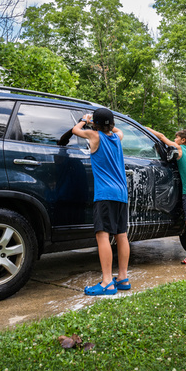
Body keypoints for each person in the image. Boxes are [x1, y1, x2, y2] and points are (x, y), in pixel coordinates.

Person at [72, 108, 131, 296]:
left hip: (105, 194)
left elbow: (75, 130)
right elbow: (118, 130)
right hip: (122, 194)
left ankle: (107, 282)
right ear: (111, 124)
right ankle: (122, 278)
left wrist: (84, 119)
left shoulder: (94, 136)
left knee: (103, 235)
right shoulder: (117, 138)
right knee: (121, 234)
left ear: (95, 124)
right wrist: (106, 125)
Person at [147, 127, 186, 263]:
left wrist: (145, 129)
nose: (174, 140)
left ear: (183, 140)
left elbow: (161, 135)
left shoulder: (180, 148)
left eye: (176, 137)